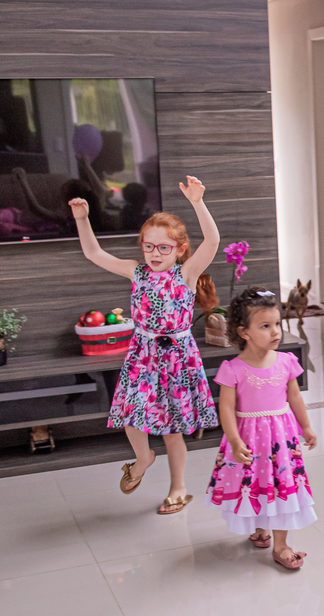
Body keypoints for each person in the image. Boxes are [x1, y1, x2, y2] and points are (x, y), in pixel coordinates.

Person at [70, 175, 223, 514]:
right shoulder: (135, 272)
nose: (155, 253)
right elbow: (94, 253)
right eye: (149, 246)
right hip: (143, 355)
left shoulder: (186, 274)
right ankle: (143, 458)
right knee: (130, 414)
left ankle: (178, 487)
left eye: (164, 247)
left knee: (172, 430)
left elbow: (212, 242)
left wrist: (198, 202)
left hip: (178, 358)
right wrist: (83, 219)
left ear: (179, 250)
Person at [206, 287, 317, 570]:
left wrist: (306, 427)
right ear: (244, 332)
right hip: (249, 441)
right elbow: (227, 408)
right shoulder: (233, 368)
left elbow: (294, 397)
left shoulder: (286, 361)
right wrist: (233, 439)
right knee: (255, 484)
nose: (275, 331)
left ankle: (281, 545)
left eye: (277, 324)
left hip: (281, 439)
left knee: (280, 486)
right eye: (265, 326)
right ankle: (261, 528)